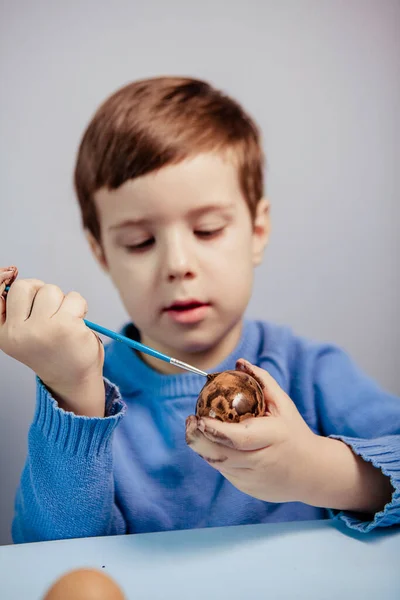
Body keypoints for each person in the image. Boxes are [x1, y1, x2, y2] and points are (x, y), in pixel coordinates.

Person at [0, 77, 399, 545]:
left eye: (207, 230)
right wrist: (74, 396)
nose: (178, 265)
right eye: (140, 241)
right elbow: (48, 557)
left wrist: (313, 470)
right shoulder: (83, 387)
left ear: (257, 230)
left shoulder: (309, 371)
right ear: (103, 253)